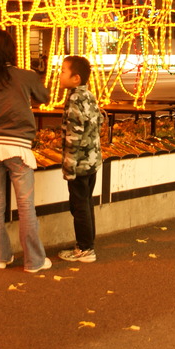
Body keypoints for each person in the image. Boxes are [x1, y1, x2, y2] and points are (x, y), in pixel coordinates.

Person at [0, 28, 52, 273]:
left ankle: (0, 258)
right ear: (11, 49)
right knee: (25, 205)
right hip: (18, 147)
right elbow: (45, 97)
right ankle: (34, 261)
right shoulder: (25, 76)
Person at [56, 55, 104, 263]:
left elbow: (73, 135)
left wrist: (69, 165)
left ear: (76, 78)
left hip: (79, 163)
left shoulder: (74, 98)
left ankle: (85, 249)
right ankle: (86, 244)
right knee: (86, 203)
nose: (60, 74)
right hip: (92, 160)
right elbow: (100, 120)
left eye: (63, 71)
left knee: (79, 206)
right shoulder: (89, 95)